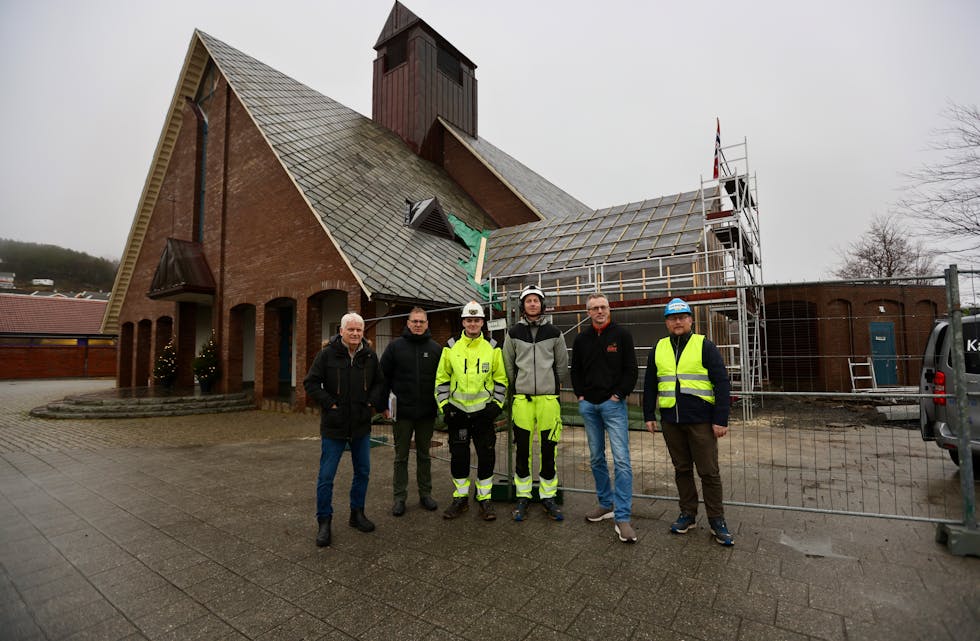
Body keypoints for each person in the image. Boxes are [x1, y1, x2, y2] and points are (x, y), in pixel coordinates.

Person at [643, 297, 734, 546]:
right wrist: (649, 415)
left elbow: (722, 383)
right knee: (682, 469)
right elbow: (651, 383)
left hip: (701, 421)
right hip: (671, 420)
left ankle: (717, 520)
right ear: (666, 323)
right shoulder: (659, 347)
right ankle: (688, 514)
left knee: (708, 472)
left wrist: (720, 419)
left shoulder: (704, 345)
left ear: (691, 320)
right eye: (673, 318)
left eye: (682, 317)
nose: (678, 321)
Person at [303, 312, 384, 547]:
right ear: (341, 331)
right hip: (334, 426)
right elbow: (310, 382)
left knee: (363, 472)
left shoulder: (369, 355)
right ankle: (324, 521)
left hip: (360, 426)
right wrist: (330, 403)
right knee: (326, 477)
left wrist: (371, 402)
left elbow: (380, 382)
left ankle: (357, 514)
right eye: (351, 329)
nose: (356, 333)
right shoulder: (327, 355)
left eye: (359, 330)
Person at [570, 293, 639, 543]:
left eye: (603, 307)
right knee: (596, 458)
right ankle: (605, 504)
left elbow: (631, 370)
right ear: (588, 312)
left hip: (613, 406)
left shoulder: (622, 336)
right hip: (589, 406)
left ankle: (622, 517)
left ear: (609, 310)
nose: (599, 311)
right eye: (594, 308)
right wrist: (580, 396)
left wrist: (618, 395)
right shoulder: (581, 339)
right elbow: (575, 370)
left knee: (621, 460)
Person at [435, 300, 508, 521]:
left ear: (482, 322)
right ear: (463, 321)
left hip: (483, 414)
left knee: (486, 456)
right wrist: (445, 407)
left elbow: (501, 380)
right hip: (458, 413)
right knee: (459, 457)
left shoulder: (493, 347)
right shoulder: (450, 346)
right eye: (469, 319)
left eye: (477, 320)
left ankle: (484, 499)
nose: (473, 323)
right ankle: (460, 498)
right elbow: (442, 380)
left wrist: (495, 407)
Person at [502, 284, 569, 521]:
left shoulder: (554, 333)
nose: (533, 304)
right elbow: (508, 365)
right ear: (523, 306)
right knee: (522, 449)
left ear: (542, 304)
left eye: (536, 300)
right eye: (528, 300)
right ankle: (523, 495)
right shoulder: (512, 333)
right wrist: (520, 384)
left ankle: (548, 496)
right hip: (522, 399)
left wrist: (551, 385)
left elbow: (561, 365)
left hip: (549, 400)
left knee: (549, 448)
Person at [380, 307, 441, 516]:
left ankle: (426, 494)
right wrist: (382, 406)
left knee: (424, 456)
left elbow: (442, 381)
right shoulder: (395, 348)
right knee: (401, 457)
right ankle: (399, 497)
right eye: (414, 321)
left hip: (426, 413)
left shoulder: (435, 349)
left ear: (427, 324)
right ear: (407, 323)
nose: (417, 325)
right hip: (402, 414)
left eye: (421, 322)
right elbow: (383, 378)